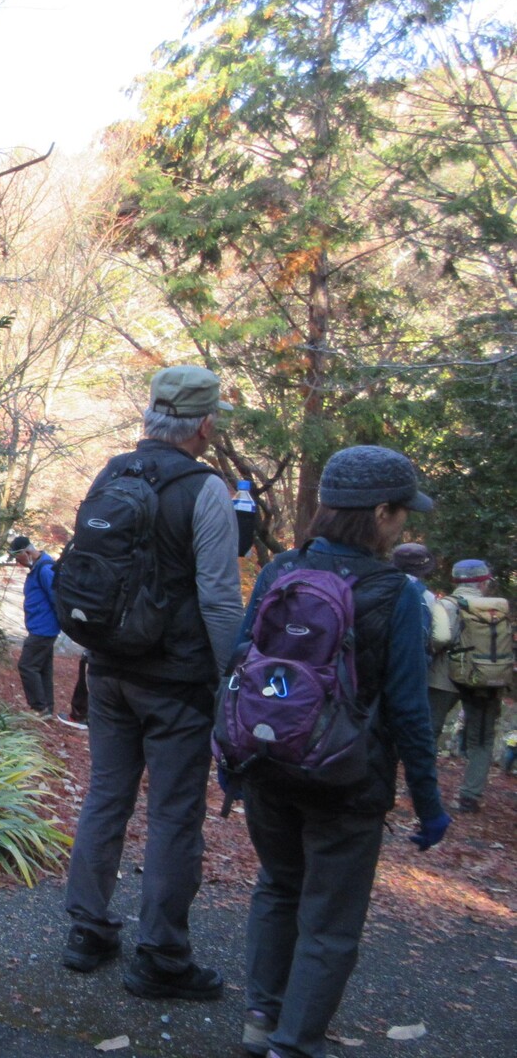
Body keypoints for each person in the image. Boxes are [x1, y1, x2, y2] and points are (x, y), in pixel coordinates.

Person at [236, 446, 448, 1058]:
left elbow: (240, 662)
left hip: (268, 764)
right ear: (380, 513)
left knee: (278, 888)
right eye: (402, 511)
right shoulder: (397, 593)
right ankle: (295, 1043)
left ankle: (260, 1021)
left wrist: (232, 762)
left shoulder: (281, 572)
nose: (405, 522)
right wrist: (428, 805)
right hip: (347, 779)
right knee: (330, 917)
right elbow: (410, 711)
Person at [61, 365, 243, 1001]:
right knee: (172, 816)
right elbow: (220, 599)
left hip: (108, 669)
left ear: (150, 418)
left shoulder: (113, 473)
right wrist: (233, 681)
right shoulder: (204, 489)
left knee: (105, 796)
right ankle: (162, 956)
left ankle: (88, 930)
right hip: (175, 681)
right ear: (205, 424)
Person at [429, 559, 508, 813]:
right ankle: (470, 796)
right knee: (482, 739)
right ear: (483, 582)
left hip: (444, 677)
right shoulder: (498, 609)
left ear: (455, 581)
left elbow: (439, 638)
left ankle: (423, 785)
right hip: (485, 678)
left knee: (430, 732)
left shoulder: (445, 605)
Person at [10, 535, 64, 720]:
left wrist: (61, 621)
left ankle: (39, 707)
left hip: (44, 628)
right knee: (43, 668)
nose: (19, 563)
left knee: (27, 665)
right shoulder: (39, 567)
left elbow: (56, 596)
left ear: (27, 552)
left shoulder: (45, 569)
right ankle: (46, 708)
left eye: (19, 558)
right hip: (41, 626)